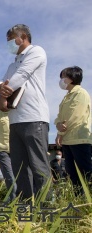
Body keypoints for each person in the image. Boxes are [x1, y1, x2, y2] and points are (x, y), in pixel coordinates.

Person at [0, 24, 51, 200]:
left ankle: (46, 206)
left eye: (11, 39)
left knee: (38, 165)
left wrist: (4, 93)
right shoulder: (13, 64)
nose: (9, 44)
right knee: (19, 167)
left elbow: (23, 74)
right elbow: (1, 82)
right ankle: (25, 205)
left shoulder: (36, 52)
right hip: (15, 120)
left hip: (34, 117)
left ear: (23, 37)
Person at [55, 66, 92, 195]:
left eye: (63, 76)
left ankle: (88, 200)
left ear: (71, 78)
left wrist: (60, 132)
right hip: (68, 140)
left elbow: (74, 116)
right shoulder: (67, 97)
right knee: (72, 174)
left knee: (85, 172)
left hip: (79, 138)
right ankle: (78, 200)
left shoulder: (80, 93)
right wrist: (58, 124)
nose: (61, 80)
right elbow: (60, 117)